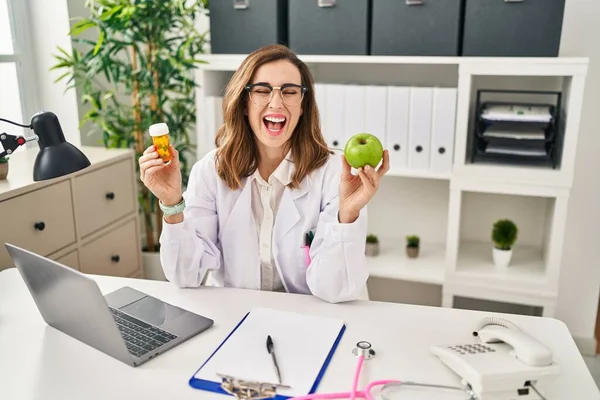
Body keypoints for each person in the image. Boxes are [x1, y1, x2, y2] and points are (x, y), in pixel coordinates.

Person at [138, 44, 389, 303]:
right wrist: (171, 204)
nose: (276, 102)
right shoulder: (211, 171)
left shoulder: (335, 172)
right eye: (262, 90)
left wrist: (347, 217)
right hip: (238, 316)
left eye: (290, 91)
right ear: (244, 103)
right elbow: (185, 276)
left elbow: (334, 289)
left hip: (312, 319)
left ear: (303, 105)